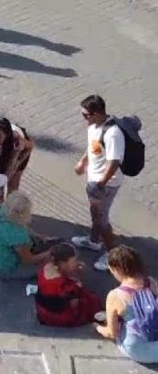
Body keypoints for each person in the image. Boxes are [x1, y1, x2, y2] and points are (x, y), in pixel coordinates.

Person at [72, 95, 124, 272]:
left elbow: (114, 162)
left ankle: (113, 254)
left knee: (101, 219)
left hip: (105, 185)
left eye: (86, 115)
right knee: (96, 214)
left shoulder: (113, 134)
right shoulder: (94, 126)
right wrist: (83, 161)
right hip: (95, 181)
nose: (84, 119)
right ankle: (94, 241)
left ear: (97, 113)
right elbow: (92, 146)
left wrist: (101, 183)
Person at [96, 246, 158, 363]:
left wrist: (97, 327)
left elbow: (112, 333)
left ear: (117, 270)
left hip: (139, 351)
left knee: (118, 323)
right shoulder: (153, 282)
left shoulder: (115, 296)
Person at [0, 191, 54, 279]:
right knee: (51, 267)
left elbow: (21, 226)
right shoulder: (19, 236)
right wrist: (49, 253)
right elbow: (27, 260)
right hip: (8, 269)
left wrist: (39, 236)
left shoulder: (4, 211)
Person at [35, 242, 102, 328]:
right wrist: (77, 283)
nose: (75, 263)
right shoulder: (64, 285)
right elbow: (72, 301)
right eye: (73, 261)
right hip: (56, 314)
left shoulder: (46, 267)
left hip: (42, 309)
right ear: (63, 263)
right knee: (91, 299)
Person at [0, 117, 34, 193]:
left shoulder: (17, 142)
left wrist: (18, 163)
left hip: (21, 152)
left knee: (13, 179)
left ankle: (10, 196)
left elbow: (30, 146)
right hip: (5, 148)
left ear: (7, 135)